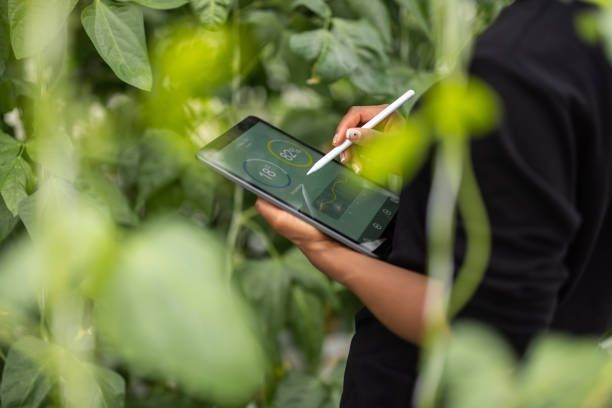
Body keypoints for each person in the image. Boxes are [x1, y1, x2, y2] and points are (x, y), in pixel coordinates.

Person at [256, 0, 612, 406]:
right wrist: (433, 153)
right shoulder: (594, 33)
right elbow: (562, 186)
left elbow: (489, 330)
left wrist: (328, 251)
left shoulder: (516, 64)